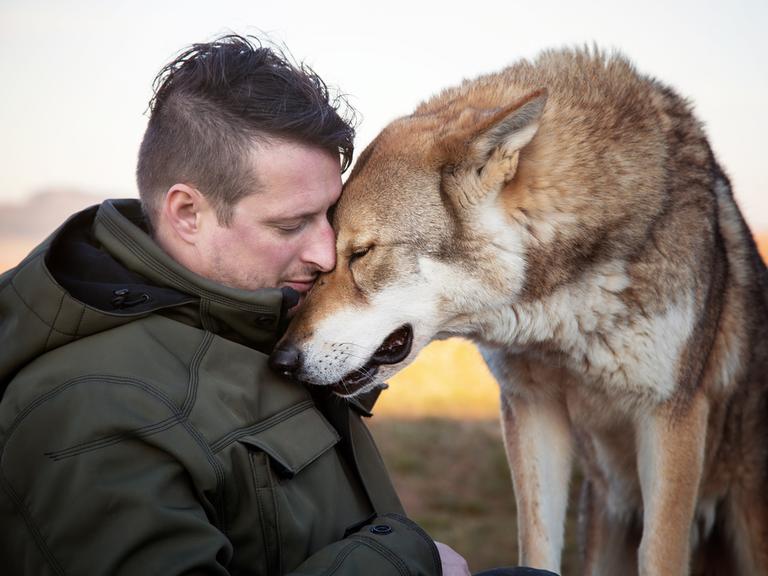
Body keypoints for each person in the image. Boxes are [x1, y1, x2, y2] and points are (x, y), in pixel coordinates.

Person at [0, 34, 557, 576]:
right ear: (188, 213)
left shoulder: (253, 320)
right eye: (290, 224)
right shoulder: (90, 413)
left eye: (329, 220)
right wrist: (400, 560)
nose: (323, 254)